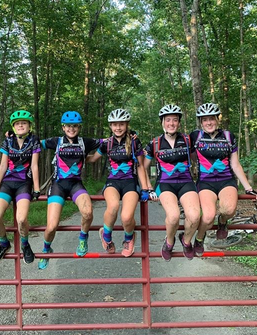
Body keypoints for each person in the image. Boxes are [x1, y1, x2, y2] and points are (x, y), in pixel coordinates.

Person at [191, 103, 257, 257]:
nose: (209, 123)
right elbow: (181, 149)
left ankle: (222, 222)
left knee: (228, 210)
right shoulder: (195, 136)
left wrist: (248, 187)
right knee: (208, 216)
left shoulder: (228, 136)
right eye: (205, 120)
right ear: (201, 122)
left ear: (217, 119)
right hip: (205, 182)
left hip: (226, 180)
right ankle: (199, 239)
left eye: (212, 119)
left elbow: (235, 164)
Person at [38, 111, 102, 270]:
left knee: (88, 213)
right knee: (51, 226)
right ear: (63, 127)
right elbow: (34, 143)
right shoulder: (56, 141)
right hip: (58, 185)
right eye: (68, 126)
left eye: (75, 126)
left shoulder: (85, 142)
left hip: (76, 185)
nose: (71, 129)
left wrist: (130, 136)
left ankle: (83, 238)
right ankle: (46, 248)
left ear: (79, 127)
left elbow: (109, 141)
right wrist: (14, 136)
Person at [87, 109, 149, 257]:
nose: (118, 127)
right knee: (113, 206)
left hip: (130, 181)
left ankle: (129, 238)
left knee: (127, 217)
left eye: (121, 124)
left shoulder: (135, 141)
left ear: (127, 125)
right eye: (114, 124)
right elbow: (93, 158)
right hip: (112, 182)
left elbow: (140, 165)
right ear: (110, 126)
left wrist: (146, 188)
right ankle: (106, 236)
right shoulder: (107, 143)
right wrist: (75, 159)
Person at [143, 105, 201, 261]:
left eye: (175, 120)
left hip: (186, 182)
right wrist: (148, 188)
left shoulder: (188, 140)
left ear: (179, 123)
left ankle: (186, 241)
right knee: (174, 216)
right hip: (165, 183)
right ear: (162, 122)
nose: (171, 123)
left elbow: (200, 158)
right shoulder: (154, 143)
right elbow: (141, 166)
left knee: (195, 216)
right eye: (167, 120)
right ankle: (169, 242)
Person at [0, 110, 41, 265]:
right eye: (17, 123)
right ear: (13, 126)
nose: (20, 125)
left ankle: (25, 244)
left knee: (21, 219)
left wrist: (37, 188)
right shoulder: (8, 141)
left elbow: (34, 165)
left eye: (24, 123)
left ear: (29, 126)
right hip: (7, 184)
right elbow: (3, 165)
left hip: (24, 184)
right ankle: (4, 243)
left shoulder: (34, 140)